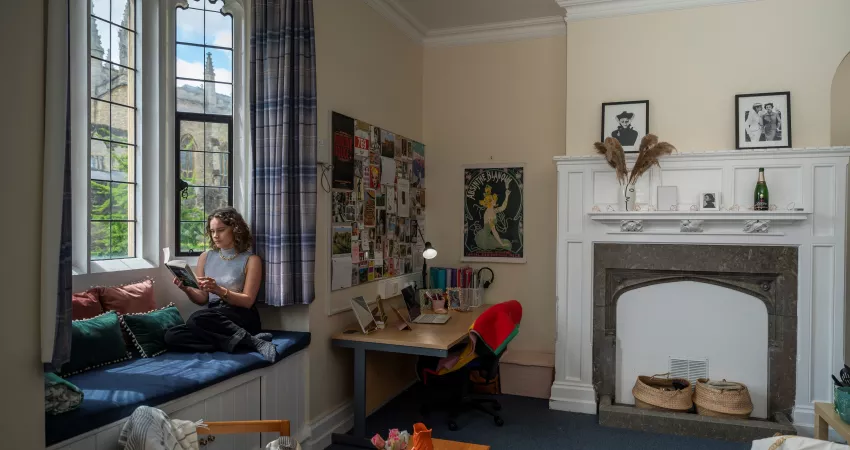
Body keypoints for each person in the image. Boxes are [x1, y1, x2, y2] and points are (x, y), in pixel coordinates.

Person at [164, 207, 277, 362]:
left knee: (196, 318)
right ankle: (248, 341)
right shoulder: (205, 257)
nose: (215, 235)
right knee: (172, 336)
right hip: (213, 316)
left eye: (221, 230)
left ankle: (249, 341)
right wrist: (186, 289)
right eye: (212, 231)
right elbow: (203, 299)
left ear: (235, 230)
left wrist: (218, 290)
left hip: (240, 315)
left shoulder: (251, 260)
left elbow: (248, 301)